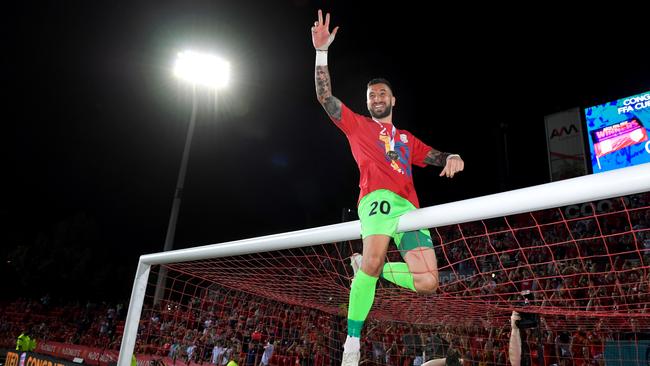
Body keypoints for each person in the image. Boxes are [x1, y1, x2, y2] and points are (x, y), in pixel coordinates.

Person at [310, 9, 465, 366]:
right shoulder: (358, 126)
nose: (376, 97)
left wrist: (453, 156)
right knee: (378, 259)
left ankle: (365, 268)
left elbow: (436, 157)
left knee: (428, 282)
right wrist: (321, 52)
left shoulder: (406, 139)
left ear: (393, 100)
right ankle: (352, 339)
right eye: (371, 94)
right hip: (376, 199)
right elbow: (325, 98)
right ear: (367, 101)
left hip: (409, 209)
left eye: (382, 93)